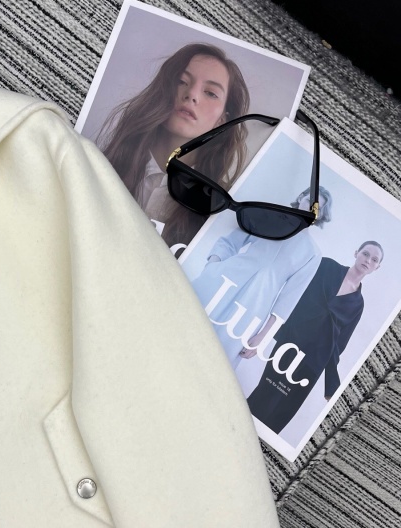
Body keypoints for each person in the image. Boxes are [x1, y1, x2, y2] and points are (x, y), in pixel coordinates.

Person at [99, 42, 250, 246]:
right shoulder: (105, 162)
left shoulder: (221, 211)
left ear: (223, 119)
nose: (192, 95)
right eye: (181, 81)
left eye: (210, 93)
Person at [187, 186, 333, 367]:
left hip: (254, 307)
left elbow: (288, 300)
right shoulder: (270, 218)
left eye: (318, 208)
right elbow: (230, 242)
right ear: (300, 197)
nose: (311, 208)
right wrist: (212, 267)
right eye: (309, 200)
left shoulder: (312, 253)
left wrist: (263, 337)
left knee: (218, 360)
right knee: (186, 325)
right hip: (223, 281)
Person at [246, 241, 384, 433]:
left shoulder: (358, 304)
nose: (368, 260)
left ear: (377, 267)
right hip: (290, 345)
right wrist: (264, 335)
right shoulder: (326, 266)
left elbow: (338, 345)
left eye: (374, 259)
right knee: (264, 397)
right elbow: (292, 296)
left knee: (280, 415)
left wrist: (331, 386)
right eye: (366, 254)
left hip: (313, 364)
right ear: (356, 253)